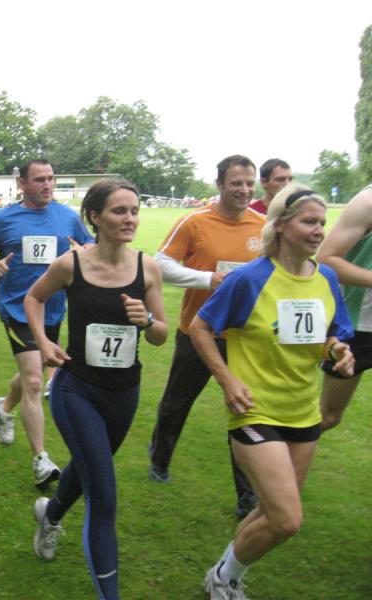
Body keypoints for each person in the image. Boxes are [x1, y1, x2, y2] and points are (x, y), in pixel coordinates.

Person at [190, 184, 354, 599]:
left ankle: (223, 576)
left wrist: (338, 351)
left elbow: (330, 336)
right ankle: (224, 579)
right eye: (309, 222)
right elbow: (200, 328)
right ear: (280, 225)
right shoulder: (250, 279)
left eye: (322, 222)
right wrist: (227, 380)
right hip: (255, 411)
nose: (319, 231)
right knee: (287, 519)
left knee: (271, 512)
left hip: (303, 413)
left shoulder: (326, 277)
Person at [25, 179, 168, 599]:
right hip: (76, 390)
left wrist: (146, 321)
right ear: (95, 217)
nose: (130, 219)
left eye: (134, 211)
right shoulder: (71, 264)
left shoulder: (147, 268)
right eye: (119, 211)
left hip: (124, 393)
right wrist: (43, 341)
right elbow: (33, 299)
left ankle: (50, 516)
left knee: (89, 466)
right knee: (103, 496)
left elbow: (161, 335)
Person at [147, 155, 265, 520]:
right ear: (219, 185)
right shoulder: (195, 221)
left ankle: (247, 494)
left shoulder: (264, 226)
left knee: (245, 408)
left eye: (249, 183)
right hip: (197, 332)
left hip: (245, 336)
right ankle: (160, 460)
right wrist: (207, 279)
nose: (244, 190)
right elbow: (161, 264)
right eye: (236, 183)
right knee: (177, 402)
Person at [0, 158, 94, 487]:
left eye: (51, 178)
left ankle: (5, 407)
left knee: (36, 372)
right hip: (17, 308)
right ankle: (41, 459)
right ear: (23, 184)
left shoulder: (67, 216)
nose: (47, 185)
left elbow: (89, 243)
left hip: (52, 309)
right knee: (33, 380)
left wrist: (83, 250)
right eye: (40, 179)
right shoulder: (5, 218)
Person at [316, 183, 372, 430]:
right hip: (357, 325)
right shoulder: (367, 202)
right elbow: (326, 259)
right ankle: (263, 442)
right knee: (329, 415)